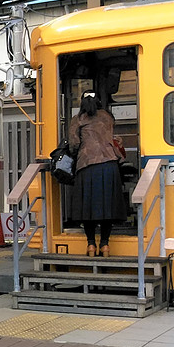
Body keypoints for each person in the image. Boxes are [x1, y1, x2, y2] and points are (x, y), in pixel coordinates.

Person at [68, 92, 126, 257]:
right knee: (107, 206)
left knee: (87, 208)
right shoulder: (107, 116)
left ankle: (91, 244)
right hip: (109, 166)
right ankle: (105, 245)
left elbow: (74, 144)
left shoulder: (78, 119)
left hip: (87, 166)